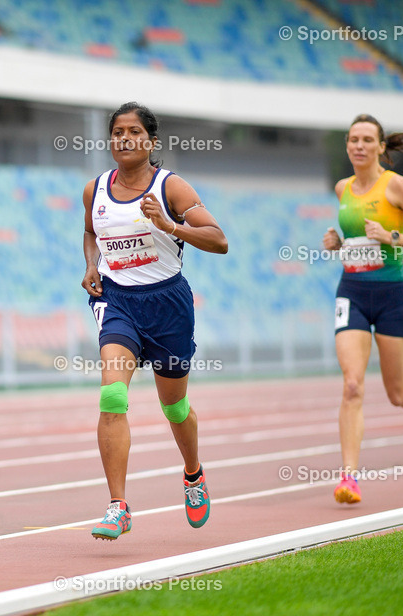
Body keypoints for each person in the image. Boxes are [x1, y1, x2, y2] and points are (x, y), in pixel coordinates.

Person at [81, 102, 228, 540]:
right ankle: (118, 506)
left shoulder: (172, 188)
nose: (124, 138)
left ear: (151, 141)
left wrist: (169, 224)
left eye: (134, 132)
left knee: (174, 407)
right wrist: (92, 264)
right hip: (118, 300)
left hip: (167, 304)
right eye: (117, 132)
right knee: (112, 395)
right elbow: (91, 231)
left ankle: (193, 473)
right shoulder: (94, 190)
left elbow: (219, 240)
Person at [321, 113, 403, 504]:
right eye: (352, 139)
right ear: (347, 145)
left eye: (366, 140)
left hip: (392, 296)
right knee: (352, 384)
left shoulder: (398, 187)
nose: (358, 146)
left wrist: (393, 236)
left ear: (379, 147)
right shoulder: (342, 188)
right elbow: (353, 239)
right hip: (352, 292)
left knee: (396, 394)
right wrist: (336, 243)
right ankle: (349, 479)